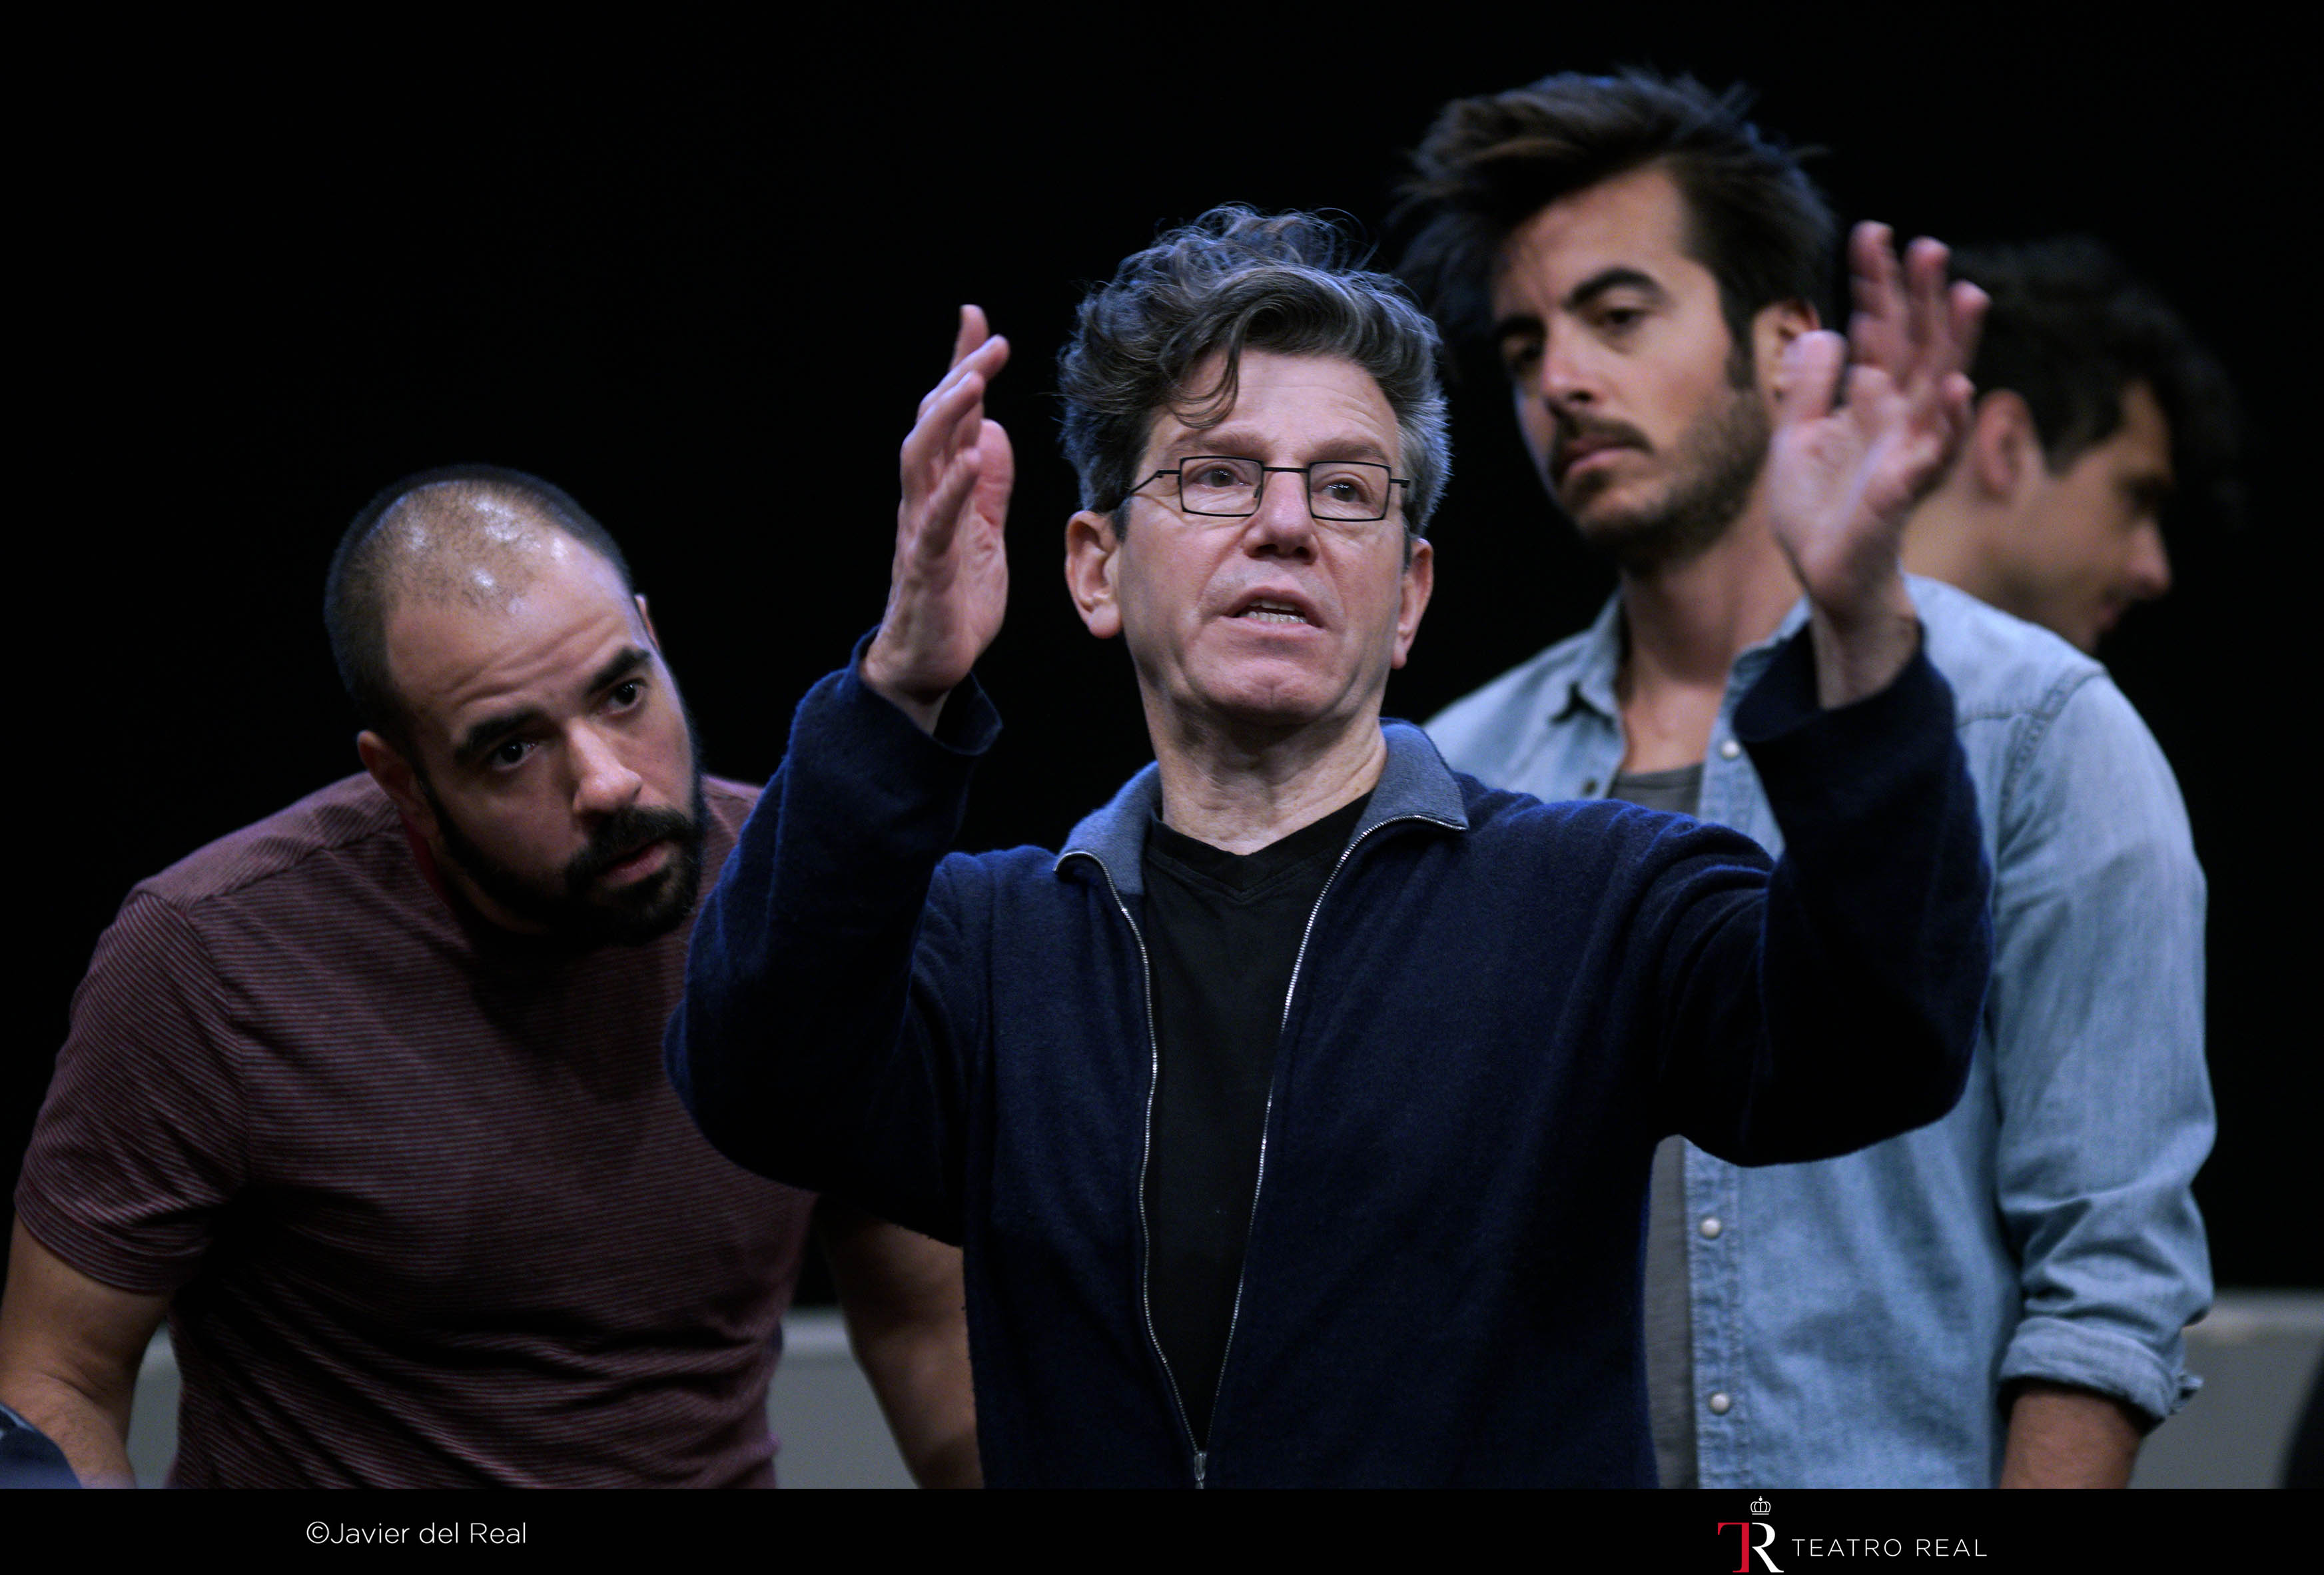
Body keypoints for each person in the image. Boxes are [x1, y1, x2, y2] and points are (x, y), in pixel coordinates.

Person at [666, 205, 1996, 1486]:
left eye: (1348, 490)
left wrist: (1863, 628)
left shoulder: (1598, 898)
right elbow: (753, 1075)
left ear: (1406, 593)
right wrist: (897, 689)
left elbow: (1873, 1048)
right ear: (1093, 567)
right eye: (1216, 475)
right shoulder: (987, 946)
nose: (1287, 524)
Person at [1397, 71, 2213, 1488]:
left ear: (1784, 344)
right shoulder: (1463, 766)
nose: (1560, 383)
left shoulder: (2031, 722)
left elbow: (2108, 1277)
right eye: (1526, 345)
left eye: (1618, 314)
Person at [0, 467, 978, 1488]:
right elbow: (55, 1379)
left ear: (652, 636)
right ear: (402, 781)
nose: (606, 782)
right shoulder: (207, 962)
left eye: (622, 692)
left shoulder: (806, 897)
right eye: (511, 750)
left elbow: (927, 1322)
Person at [1899, 237, 2239, 652]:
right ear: (2007, 448)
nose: (2155, 572)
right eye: (2135, 498)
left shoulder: (1806, 667)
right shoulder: (2072, 709)